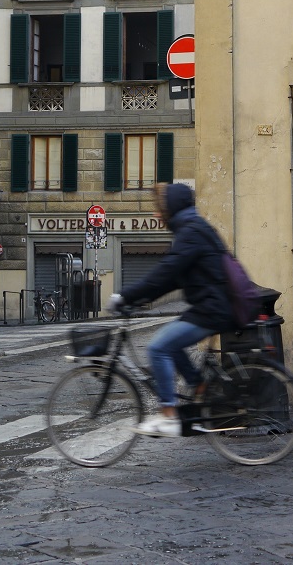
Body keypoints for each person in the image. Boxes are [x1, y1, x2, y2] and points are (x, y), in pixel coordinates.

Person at [108, 182, 236, 438]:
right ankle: (198, 386)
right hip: (211, 305)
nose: (157, 215)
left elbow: (164, 274)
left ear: (172, 208)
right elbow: (171, 279)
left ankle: (168, 414)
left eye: (160, 209)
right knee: (173, 342)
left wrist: (125, 296)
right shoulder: (192, 228)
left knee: (159, 347)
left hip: (213, 308)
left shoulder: (190, 232)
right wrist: (139, 298)